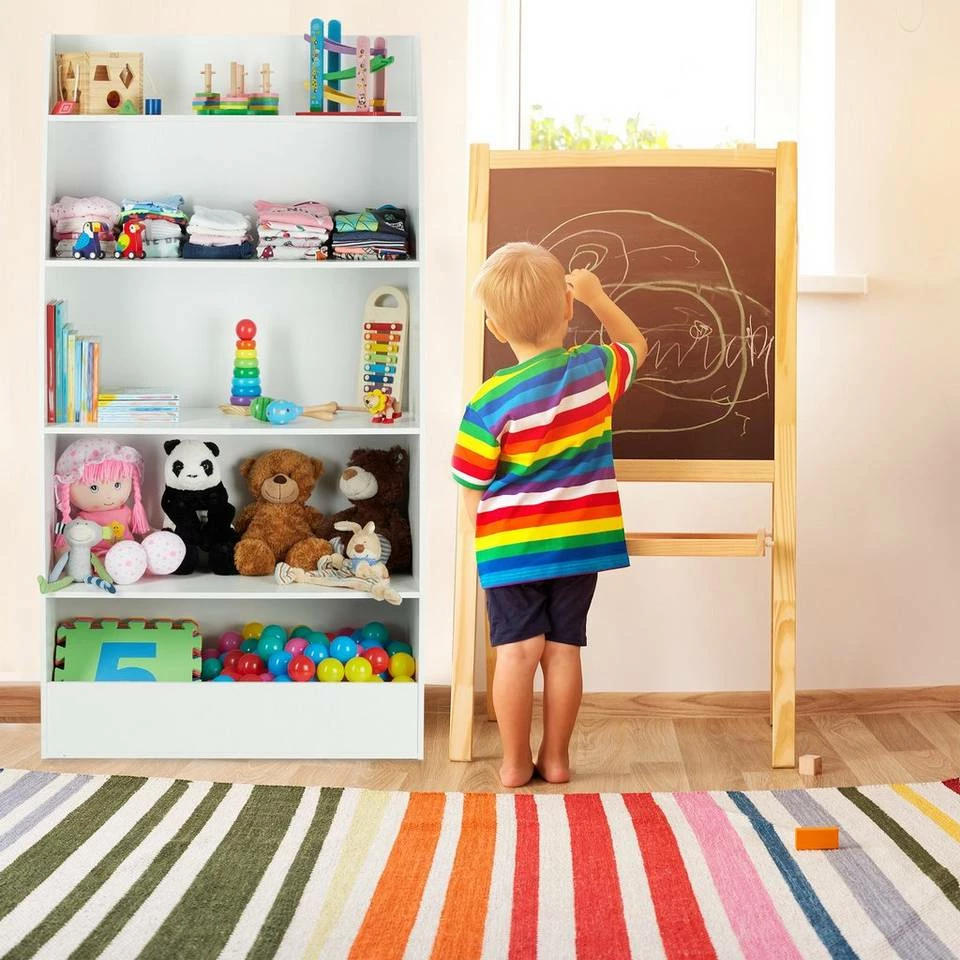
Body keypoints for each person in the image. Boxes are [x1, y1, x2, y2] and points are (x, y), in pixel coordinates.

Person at [452, 242, 648, 787]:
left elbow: (470, 483)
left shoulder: (490, 401)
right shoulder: (594, 371)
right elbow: (636, 345)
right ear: (566, 307)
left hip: (512, 549)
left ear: (494, 328)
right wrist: (597, 298)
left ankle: (515, 762)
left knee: (516, 654)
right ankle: (556, 759)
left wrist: (478, 540)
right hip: (580, 544)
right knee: (563, 651)